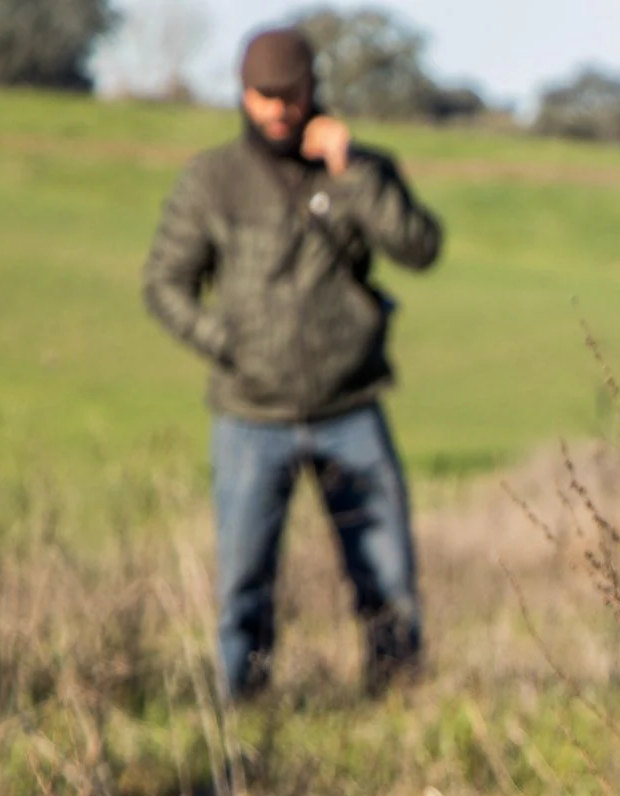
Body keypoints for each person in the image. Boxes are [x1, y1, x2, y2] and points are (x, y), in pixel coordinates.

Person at [143, 26, 443, 700]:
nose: (278, 109)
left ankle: (397, 701)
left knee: (387, 575)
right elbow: (164, 284)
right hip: (251, 413)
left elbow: (419, 248)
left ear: (315, 91)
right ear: (243, 96)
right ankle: (244, 708)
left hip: (351, 405)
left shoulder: (360, 170)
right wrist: (229, 346)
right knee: (245, 579)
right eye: (263, 96)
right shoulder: (213, 182)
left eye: (291, 94)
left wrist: (352, 174)